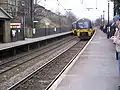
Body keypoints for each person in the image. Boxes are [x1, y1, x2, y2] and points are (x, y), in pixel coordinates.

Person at [110, 15, 120, 90]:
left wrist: (115, 40)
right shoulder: (118, 29)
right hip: (118, 51)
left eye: (116, 21)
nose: (115, 23)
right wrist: (114, 38)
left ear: (118, 20)